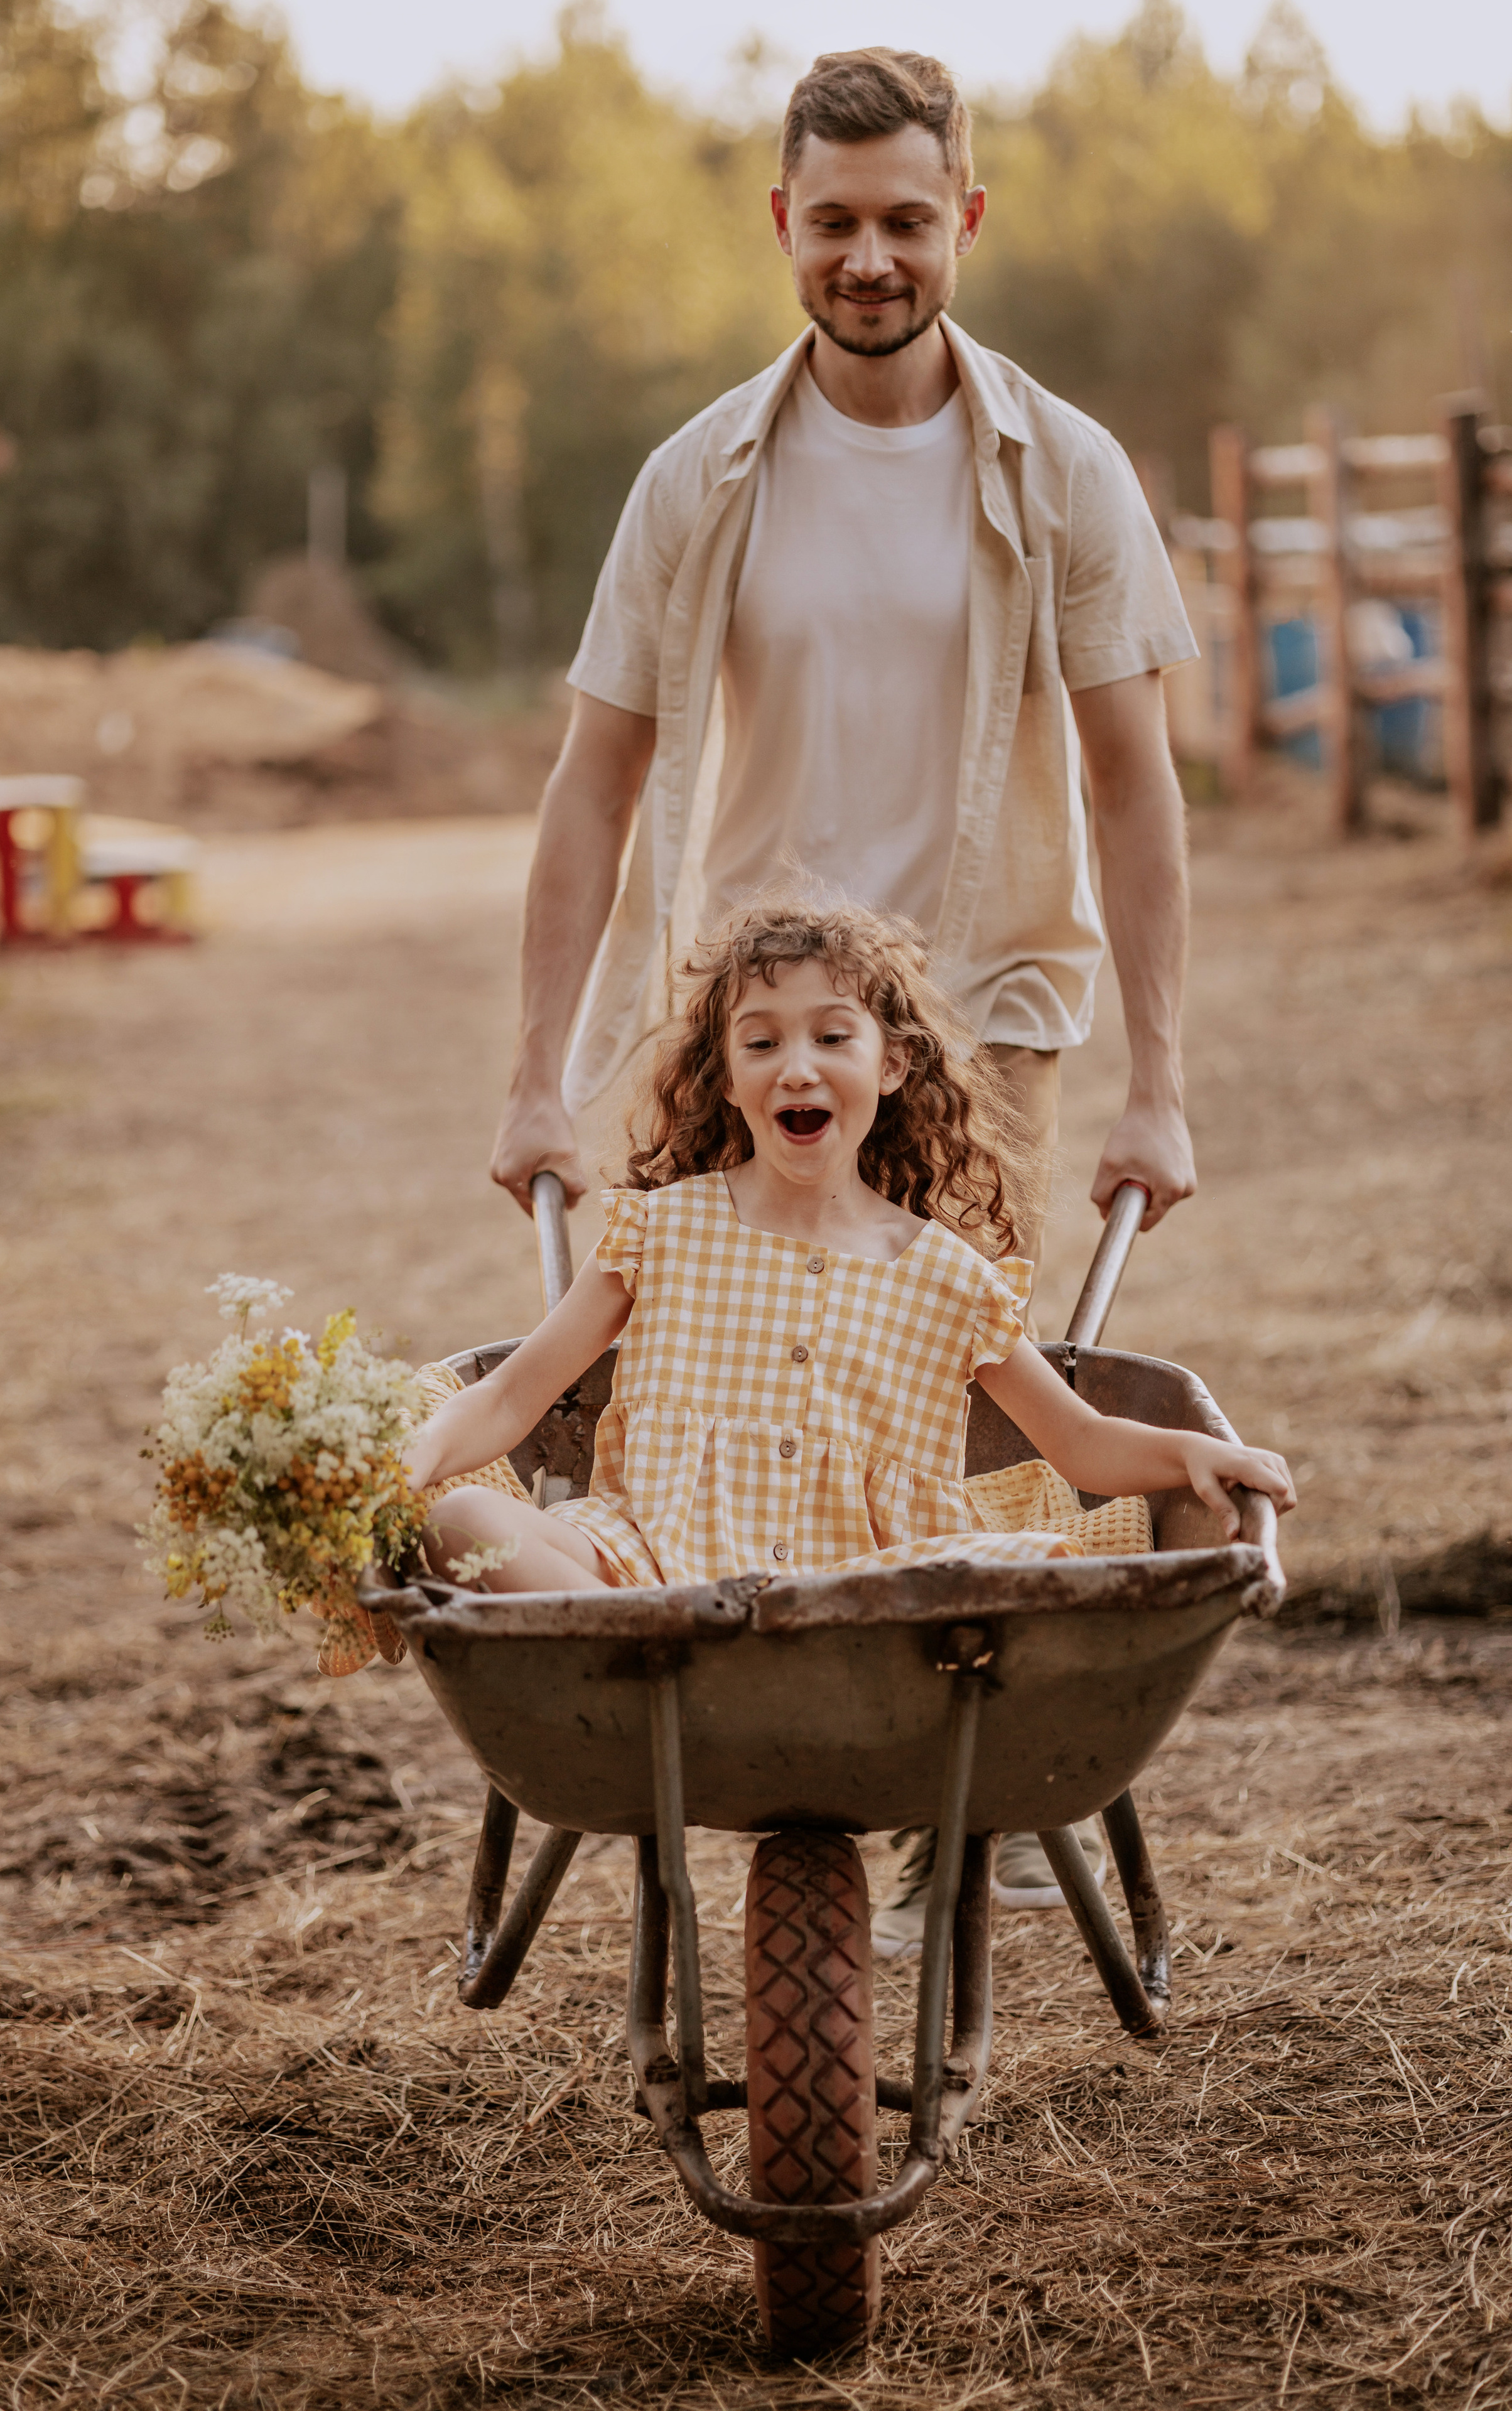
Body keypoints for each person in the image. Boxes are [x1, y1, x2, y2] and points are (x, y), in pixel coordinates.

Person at [489, 48, 1202, 1922]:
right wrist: (534, 1071)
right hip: (752, 1011)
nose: (869, 256)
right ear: (782, 228)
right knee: (709, 1378)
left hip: (985, 1007)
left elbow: (1136, 783)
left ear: (963, 216)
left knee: (965, 1377)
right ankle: (742, 1732)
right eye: (834, 222)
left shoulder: (1068, 474)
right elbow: (595, 780)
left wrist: (1164, 1077)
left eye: (905, 218)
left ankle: (978, 1786)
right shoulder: (700, 477)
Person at [410, 898, 1292, 1703]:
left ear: (895, 1064)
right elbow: (510, 1397)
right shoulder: (664, 1233)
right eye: (761, 1044)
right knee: (465, 1519)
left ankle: (694, 1688)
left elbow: (1080, 1443)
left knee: (1037, 1571)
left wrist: (1195, 1455)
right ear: (724, 1077)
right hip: (651, 1574)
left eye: (833, 1038)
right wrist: (412, 1461)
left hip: (866, 1605)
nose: (797, 1068)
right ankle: (663, 1673)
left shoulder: (950, 1278)